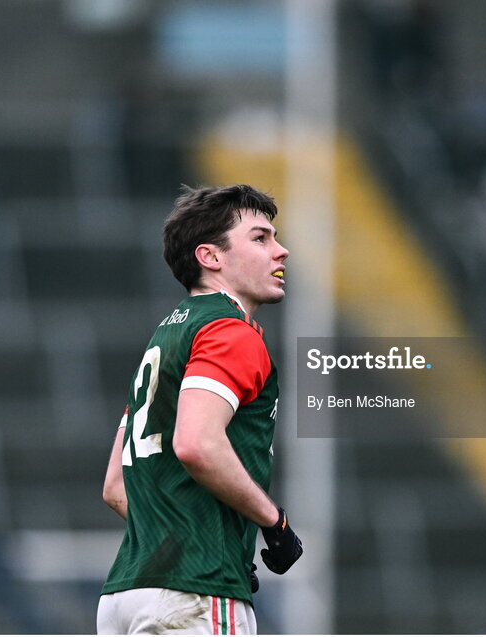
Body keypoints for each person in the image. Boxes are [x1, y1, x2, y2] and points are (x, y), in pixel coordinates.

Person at [97, 184, 302, 635]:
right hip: (194, 591)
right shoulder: (230, 332)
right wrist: (274, 522)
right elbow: (196, 444)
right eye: (260, 238)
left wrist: (195, 538)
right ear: (211, 257)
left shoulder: (167, 337)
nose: (281, 251)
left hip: (125, 596)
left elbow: (116, 487)